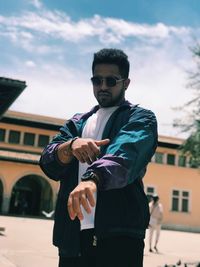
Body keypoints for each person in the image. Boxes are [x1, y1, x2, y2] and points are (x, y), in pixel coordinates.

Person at [39, 48, 158, 267]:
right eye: (97, 80)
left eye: (111, 81)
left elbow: (125, 154)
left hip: (119, 237)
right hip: (72, 237)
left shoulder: (140, 118)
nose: (102, 86)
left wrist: (93, 178)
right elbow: (48, 161)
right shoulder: (77, 122)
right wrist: (71, 145)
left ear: (126, 83)